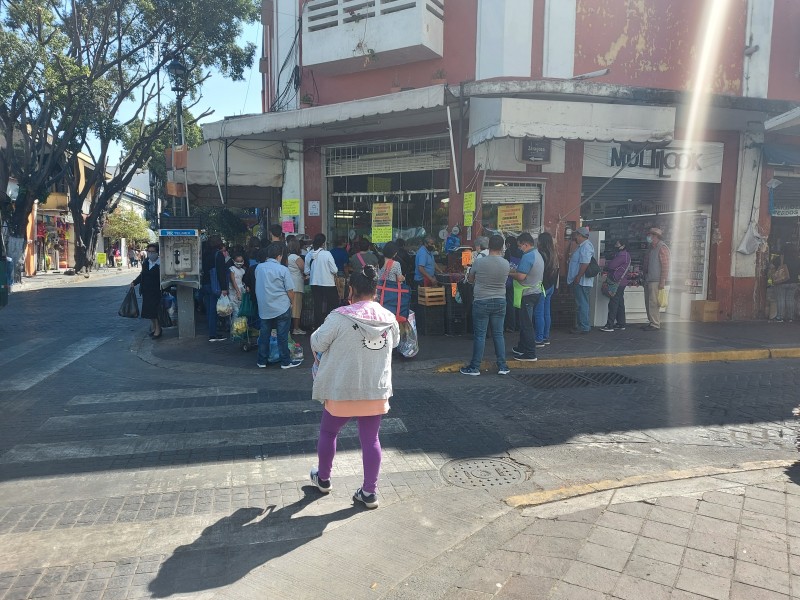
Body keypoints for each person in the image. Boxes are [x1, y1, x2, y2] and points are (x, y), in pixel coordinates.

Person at [309, 265, 400, 509]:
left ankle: (324, 479)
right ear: (375, 291)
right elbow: (396, 343)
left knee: (329, 432)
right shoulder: (389, 318)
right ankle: (370, 492)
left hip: (342, 389)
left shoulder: (339, 316)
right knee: (371, 439)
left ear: (351, 289)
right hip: (375, 390)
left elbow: (317, 342)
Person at [461, 235, 511, 376]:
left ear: (489, 246)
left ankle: (475, 367)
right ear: (502, 247)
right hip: (500, 300)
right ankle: (502, 366)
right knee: (498, 334)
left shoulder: (479, 262)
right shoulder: (506, 263)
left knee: (480, 335)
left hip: (482, 300)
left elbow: (470, 280)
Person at [255, 243, 302, 369]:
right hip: (281, 306)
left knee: (264, 335)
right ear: (279, 256)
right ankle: (285, 362)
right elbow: (290, 290)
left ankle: (262, 361)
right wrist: (291, 302)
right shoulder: (283, 270)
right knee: (282, 336)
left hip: (264, 307)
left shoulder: (259, 268)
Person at [509, 232, 543, 361]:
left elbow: (521, 276)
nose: (519, 248)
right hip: (535, 291)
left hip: (528, 294)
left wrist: (510, 273)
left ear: (525, 244)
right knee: (525, 322)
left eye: (519, 246)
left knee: (526, 324)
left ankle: (530, 353)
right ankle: (522, 347)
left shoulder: (528, 256)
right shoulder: (537, 254)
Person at [304, 233, 340, 329]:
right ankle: (331, 324)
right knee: (333, 304)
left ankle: (318, 326)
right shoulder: (327, 254)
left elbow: (306, 271)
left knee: (318, 305)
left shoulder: (309, 255)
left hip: (314, 283)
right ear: (323, 244)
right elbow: (334, 270)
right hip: (328, 283)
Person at [130, 243, 162, 338]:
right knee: (148, 312)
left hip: (156, 291)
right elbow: (142, 275)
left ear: (157, 252)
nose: (151, 253)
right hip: (146, 290)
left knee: (154, 311)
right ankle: (154, 327)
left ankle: (158, 329)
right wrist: (134, 282)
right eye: (149, 251)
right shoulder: (146, 262)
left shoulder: (161, 263)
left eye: (153, 252)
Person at [567, 226, 595, 334]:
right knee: (581, 303)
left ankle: (583, 326)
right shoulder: (581, 246)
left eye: (576, 235)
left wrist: (578, 276)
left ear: (580, 235)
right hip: (579, 280)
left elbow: (585, 263)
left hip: (582, 281)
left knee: (582, 303)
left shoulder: (586, 246)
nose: (575, 237)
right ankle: (581, 325)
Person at [642, 227, 670, 331]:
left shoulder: (662, 248)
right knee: (648, 302)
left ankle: (655, 324)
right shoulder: (651, 248)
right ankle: (651, 321)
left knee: (653, 302)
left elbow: (665, 266)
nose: (648, 237)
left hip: (656, 280)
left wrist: (662, 281)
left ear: (655, 236)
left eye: (650, 235)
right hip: (649, 279)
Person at [201, 236, 229, 342]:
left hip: (206, 283)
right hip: (215, 285)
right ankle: (213, 334)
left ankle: (211, 330)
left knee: (209, 309)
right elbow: (221, 272)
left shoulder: (205, 254)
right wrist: (224, 288)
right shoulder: (218, 255)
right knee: (214, 309)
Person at [600, 240, 632, 332]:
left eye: (617, 244)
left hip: (617, 282)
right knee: (620, 303)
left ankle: (610, 325)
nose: (615, 245)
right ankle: (621, 323)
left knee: (613, 303)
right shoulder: (627, 255)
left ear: (623, 245)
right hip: (622, 282)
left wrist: (607, 263)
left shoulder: (622, 255)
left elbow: (611, 265)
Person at [534, 232, 559, 346]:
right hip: (550, 286)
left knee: (539, 313)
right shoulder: (554, 254)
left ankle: (539, 339)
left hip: (542, 286)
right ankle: (546, 337)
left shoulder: (540, 254)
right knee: (546, 313)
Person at [775, 243, 800, 322]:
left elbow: (771, 267)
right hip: (794, 282)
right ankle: (790, 318)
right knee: (790, 299)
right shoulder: (797, 259)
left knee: (781, 299)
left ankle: (780, 317)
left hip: (782, 282)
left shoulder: (780, 258)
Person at [286, 239, 306, 335]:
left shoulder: (287, 257)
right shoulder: (296, 258)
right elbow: (304, 269)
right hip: (297, 284)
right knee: (297, 307)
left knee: (290, 306)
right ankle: (296, 328)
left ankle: (289, 327)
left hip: (289, 284)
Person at [504, 236, 523, 332]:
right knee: (518, 303)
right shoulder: (521, 252)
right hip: (519, 279)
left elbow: (505, 266)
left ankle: (511, 326)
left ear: (508, 244)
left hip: (510, 279)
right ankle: (518, 325)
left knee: (510, 302)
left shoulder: (508, 252)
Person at [228, 252, 247, 320]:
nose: (239, 263)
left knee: (239, 310)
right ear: (233, 261)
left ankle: (239, 327)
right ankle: (234, 328)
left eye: (241, 261)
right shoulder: (232, 269)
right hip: (233, 291)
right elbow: (233, 281)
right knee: (235, 311)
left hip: (240, 291)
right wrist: (237, 291)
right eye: (237, 261)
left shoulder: (242, 270)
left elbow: (242, 280)